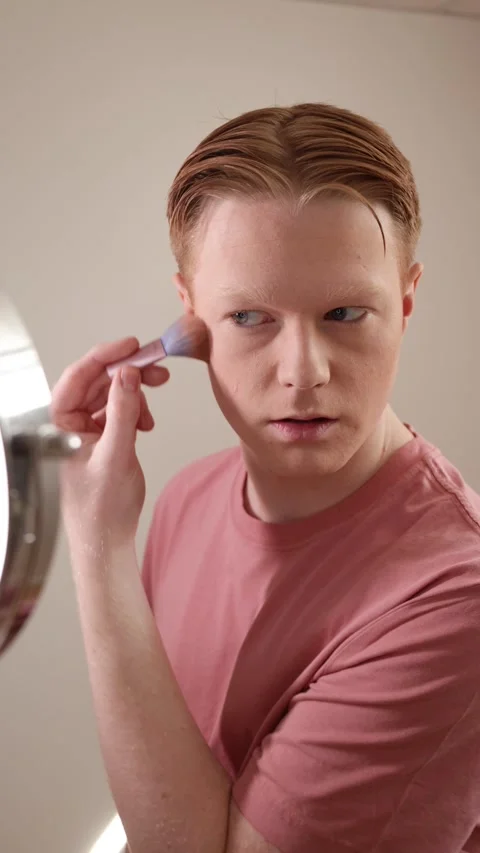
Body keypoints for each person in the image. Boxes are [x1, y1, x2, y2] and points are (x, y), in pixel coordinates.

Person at [51, 103, 480, 853]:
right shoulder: (185, 497)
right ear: (190, 316)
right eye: (251, 317)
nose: (303, 372)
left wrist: (95, 549)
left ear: (406, 304)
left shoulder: (456, 598)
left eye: (346, 312)